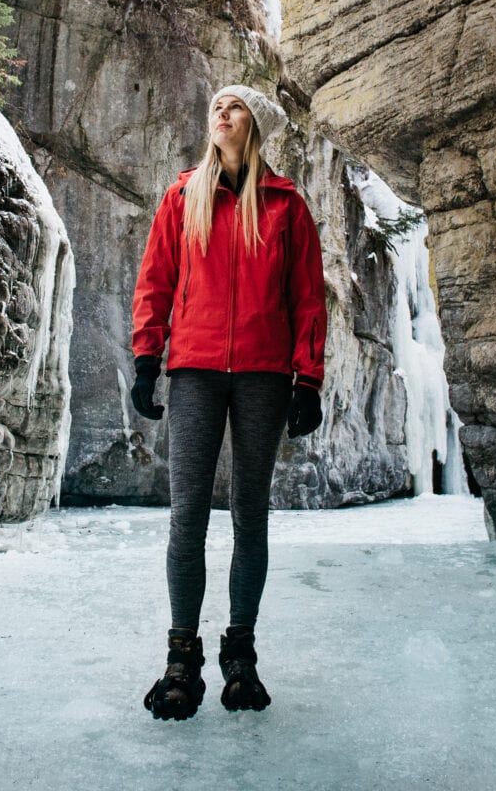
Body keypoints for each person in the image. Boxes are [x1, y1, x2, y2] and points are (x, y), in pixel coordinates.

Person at [129, 83, 327, 721]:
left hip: (264, 377)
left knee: (250, 515)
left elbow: (307, 299)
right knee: (187, 516)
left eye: (235, 106)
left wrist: (309, 379)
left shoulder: (286, 207)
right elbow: (156, 281)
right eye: (216, 104)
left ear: (255, 125)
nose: (222, 112)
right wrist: (145, 360)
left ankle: (239, 653)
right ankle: (181, 658)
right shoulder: (181, 197)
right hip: (194, 372)